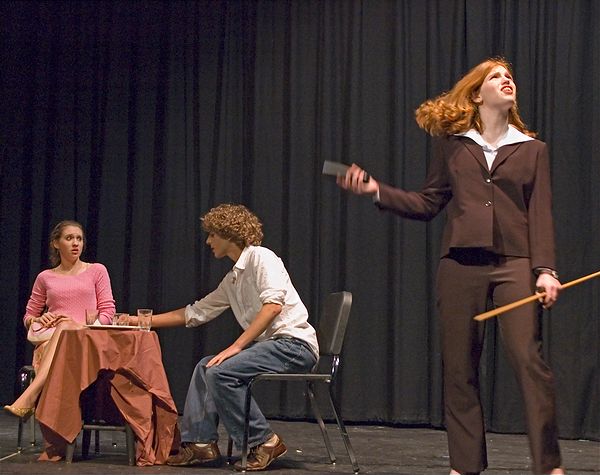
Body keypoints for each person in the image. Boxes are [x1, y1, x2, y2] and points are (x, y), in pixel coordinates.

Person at [336, 58, 564, 475]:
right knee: (459, 368)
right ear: (477, 94)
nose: (506, 80)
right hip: (460, 265)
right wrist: (376, 190)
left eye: (509, 76)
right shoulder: (453, 146)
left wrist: (545, 269)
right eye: (496, 76)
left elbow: (541, 213)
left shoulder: (533, 150)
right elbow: (428, 203)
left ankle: (549, 465)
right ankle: (465, 465)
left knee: (529, 361)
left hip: (515, 264)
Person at [130, 203, 318, 471]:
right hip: (273, 346)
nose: (208, 242)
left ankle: (264, 441)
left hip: (294, 346)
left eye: (212, 235)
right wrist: (139, 321)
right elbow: (195, 312)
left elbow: (273, 306)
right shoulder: (233, 280)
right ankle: (201, 444)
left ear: (229, 234)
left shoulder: (261, 258)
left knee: (221, 372)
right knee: (206, 366)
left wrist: (237, 346)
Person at [4, 220, 116, 460]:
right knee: (57, 337)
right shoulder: (45, 277)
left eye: (79, 238)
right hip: (53, 341)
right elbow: (29, 316)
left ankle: (31, 397)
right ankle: (55, 440)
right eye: (69, 238)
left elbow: (108, 312)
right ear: (56, 243)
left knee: (65, 327)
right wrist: (39, 319)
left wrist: (78, 324)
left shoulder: (97, 271)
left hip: (87, 339)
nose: (76, 243)